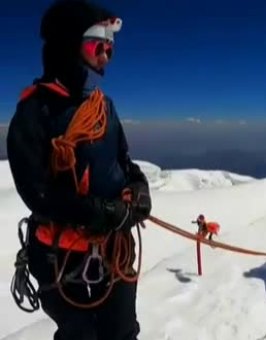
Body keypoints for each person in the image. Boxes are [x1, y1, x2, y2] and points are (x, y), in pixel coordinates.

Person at [6, 1, 150, 339]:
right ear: (68, 45)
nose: (105, 55)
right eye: (97, 45)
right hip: (62, 259)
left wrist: (139, 189)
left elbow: (124, 163)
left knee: (122, 331)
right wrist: (99, 212)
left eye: (110, 48)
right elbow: (37, 192)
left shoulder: (103, 107)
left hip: (113, 251)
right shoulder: (34, 112)